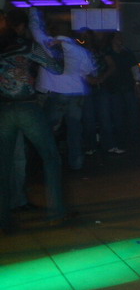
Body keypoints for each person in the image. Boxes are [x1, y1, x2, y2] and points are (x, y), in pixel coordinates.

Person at [1, 9, 67, 233]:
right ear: (21, 27)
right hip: (27, 106)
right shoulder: (27, 46)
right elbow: (56, 68)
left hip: (4, 109)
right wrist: (56, 52)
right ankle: (56, 211)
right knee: (51, 157)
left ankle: (3, 219)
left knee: (4, 165)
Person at [30, 10, 97, 171]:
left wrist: (33, 12)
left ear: (53, 31)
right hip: (76, 94)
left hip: (57, 93)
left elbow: (35, 29)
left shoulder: (47, 44)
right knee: (75, 129)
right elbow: (89, 71)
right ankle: (76, 163)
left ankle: (51, 163)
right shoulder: (80, 51)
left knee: (48, 129)